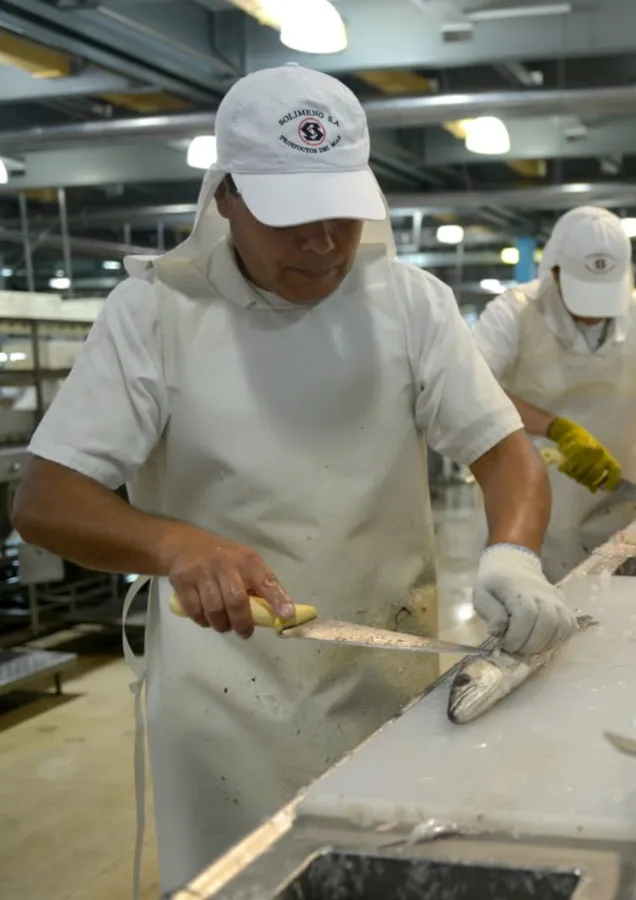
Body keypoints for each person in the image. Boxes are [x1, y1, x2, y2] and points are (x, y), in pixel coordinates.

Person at [10, 65, 574, 894]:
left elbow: (502, 451)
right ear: (226, 198)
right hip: (225, 699)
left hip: (388, 671)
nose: (322, 241)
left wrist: (513, 555)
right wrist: (171, 543)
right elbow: (45, 499)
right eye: (291, 217)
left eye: (343, 213)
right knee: (250, 881)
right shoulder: (156, 313)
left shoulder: (409, 303)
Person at [472, 206, 636, 583]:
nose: (593, 314)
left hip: (615, 519)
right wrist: (556, 429)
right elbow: (471, 387)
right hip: (521, 523)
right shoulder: (515, 312)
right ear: (555, 270)